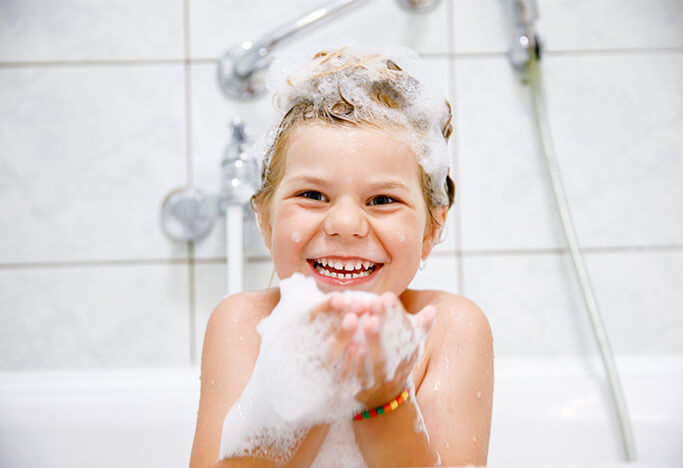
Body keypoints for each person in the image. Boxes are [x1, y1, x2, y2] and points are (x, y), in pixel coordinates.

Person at [189, 45, 494, 467]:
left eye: (383, 199)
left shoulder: (448, 330)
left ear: (432, 228)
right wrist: (310, 380)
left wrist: (384, 399)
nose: (345, 223)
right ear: (265, 220)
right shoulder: (240, 324)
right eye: (312, 195)